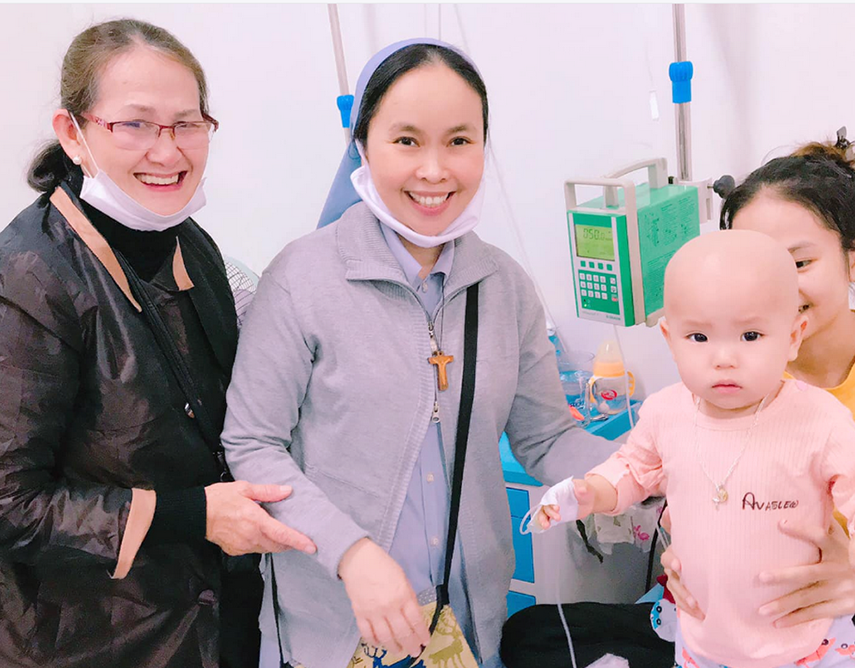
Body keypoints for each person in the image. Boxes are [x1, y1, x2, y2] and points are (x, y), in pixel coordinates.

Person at [219, 38, 614, 668]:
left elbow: (544, 439)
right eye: (406, 141)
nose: (435, 171)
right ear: (363, 146)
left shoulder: (503, 285)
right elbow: (251, 445)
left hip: (460, 622)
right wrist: (353, 553)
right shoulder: (303, 277)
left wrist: (656, 470)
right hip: (336, 625)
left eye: (460, 141)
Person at [0, 19, 315, 668]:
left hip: (211, 619)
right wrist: (192, 515)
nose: (167, 152)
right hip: (87, 641)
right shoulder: (17, 287)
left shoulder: (190, 243)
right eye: (135, 124)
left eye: (188, 123)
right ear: (74, 134)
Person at [533, 230, 855, 667]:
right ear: (669, 337)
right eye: (698, 337)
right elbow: (634, 468)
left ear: (794, 335)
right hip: (702, 636)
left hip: (796, 642)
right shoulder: (666, 412)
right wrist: (593, 492)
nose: (723, 358)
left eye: (750, 336)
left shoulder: (816, 419)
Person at [659, 138, 855, 664]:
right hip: (757, 614)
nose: (776, 288)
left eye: (799, 262)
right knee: (535, 633)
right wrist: (688, 554)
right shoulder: (727, 378)